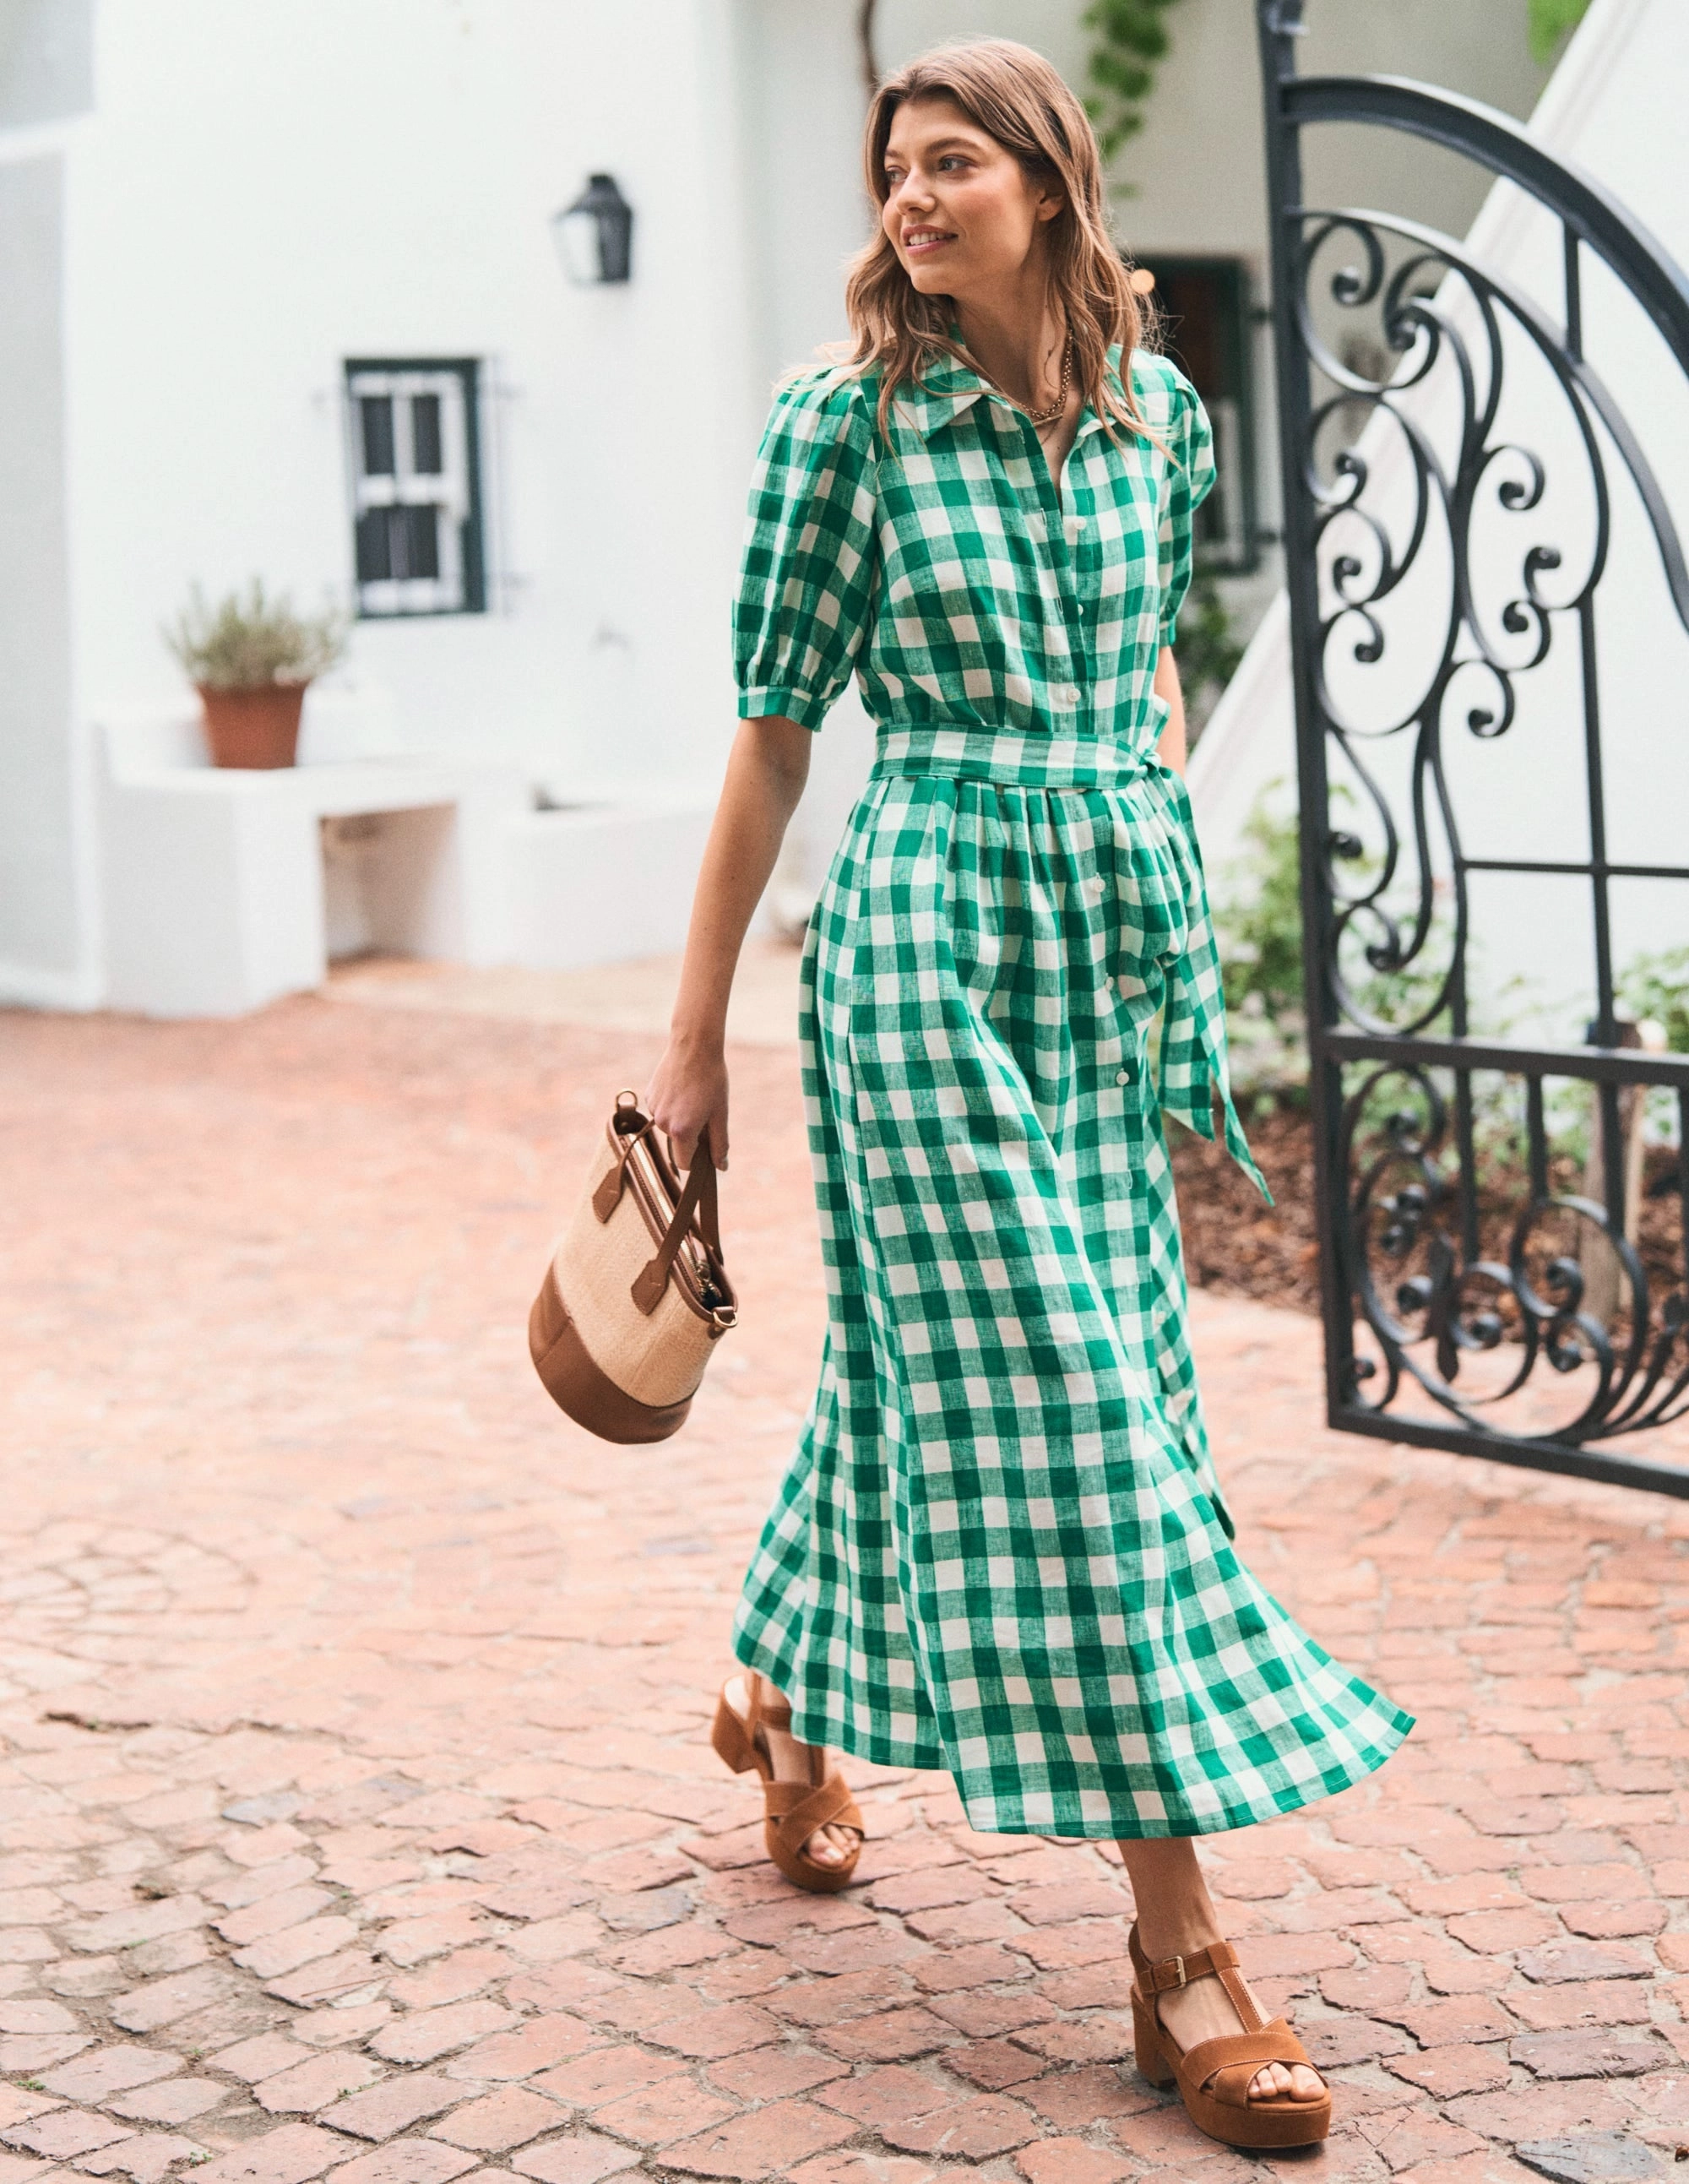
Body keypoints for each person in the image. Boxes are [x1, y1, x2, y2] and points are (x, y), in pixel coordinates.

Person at [645, 36, 1411, 2152]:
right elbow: (774, 736)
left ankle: (788, 1701)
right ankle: (1183, 1953)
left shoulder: (1159, 417)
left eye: (952, 161)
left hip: (1100, 962)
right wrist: (694, 1033)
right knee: (1083, 1396)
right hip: (920, 952)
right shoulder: (848, 426)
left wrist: (1148, 846)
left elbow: (1150, 669)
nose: (910, 195)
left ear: (1050, 189)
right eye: (894, 165)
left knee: (932, 1371)